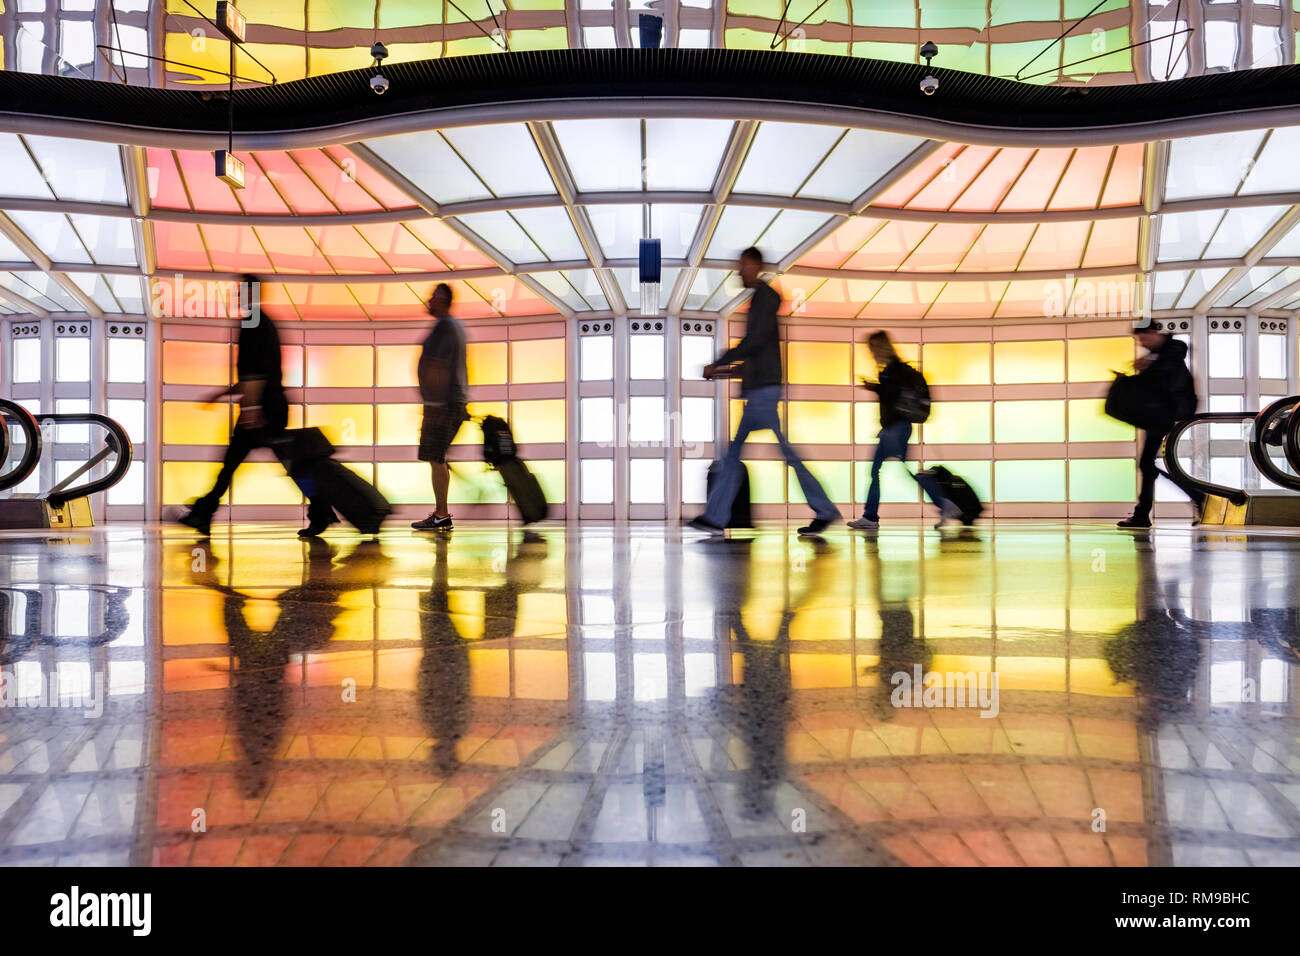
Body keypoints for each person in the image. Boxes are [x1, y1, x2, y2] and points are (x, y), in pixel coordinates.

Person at [688, 247, 839, 536]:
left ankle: (717, 517)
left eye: (743, 265)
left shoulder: (763, 298)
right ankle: (823, 510)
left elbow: (755, 342)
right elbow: (758, 352)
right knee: (759, 455)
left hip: (763, 394)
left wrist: (719, 362)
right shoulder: (761, 299)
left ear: (755, 265)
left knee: (752, 456)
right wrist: (725, 371)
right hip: (761, 391)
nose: (739, 271)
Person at [179, 275, 336, 538]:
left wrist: (251, 411)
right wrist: (222, 395)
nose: (236, 295)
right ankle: (204, 513)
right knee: (265, 463)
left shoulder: (254, 322)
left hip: (262, 409)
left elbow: (255, 373)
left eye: (240, 290)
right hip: (269, 405)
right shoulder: (262, 321)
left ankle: (204, 513)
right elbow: (254, 374)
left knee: (249, 464)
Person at [848, 331, 959, 531]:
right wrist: (876, 387)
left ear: (880, 347)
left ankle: (944, 504)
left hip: (896, 429)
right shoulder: (894, 369)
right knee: (880, 470)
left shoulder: (892, 369)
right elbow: (894, 396)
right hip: (893, 428)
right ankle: (871, 516)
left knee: (898, 470)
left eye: (873, 348)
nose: (871, 353)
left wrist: (877, 388)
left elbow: (892, 397)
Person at [1119, 327, 1202, 529]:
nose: (1143, 344)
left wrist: (1148, 365)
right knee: (1147, 464)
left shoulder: (1172, 347)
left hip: (1169, 412)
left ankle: (1198, 497)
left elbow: (1172, 361)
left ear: (1155, 333)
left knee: (1147, 464)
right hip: (1160, 413)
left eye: (1144, 338)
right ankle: (1144, 513)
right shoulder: (1158, 353)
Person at [411, 283, 470, 532]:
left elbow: (438, 366)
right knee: (438, 457)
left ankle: (441, 514)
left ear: (443, 300)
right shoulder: (453, 326)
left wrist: (434, 404)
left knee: (435, 457)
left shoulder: (445, 326)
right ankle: (441, 513)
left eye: (433, 297)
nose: (428, 301)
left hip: (442, 404)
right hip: (448, 402)